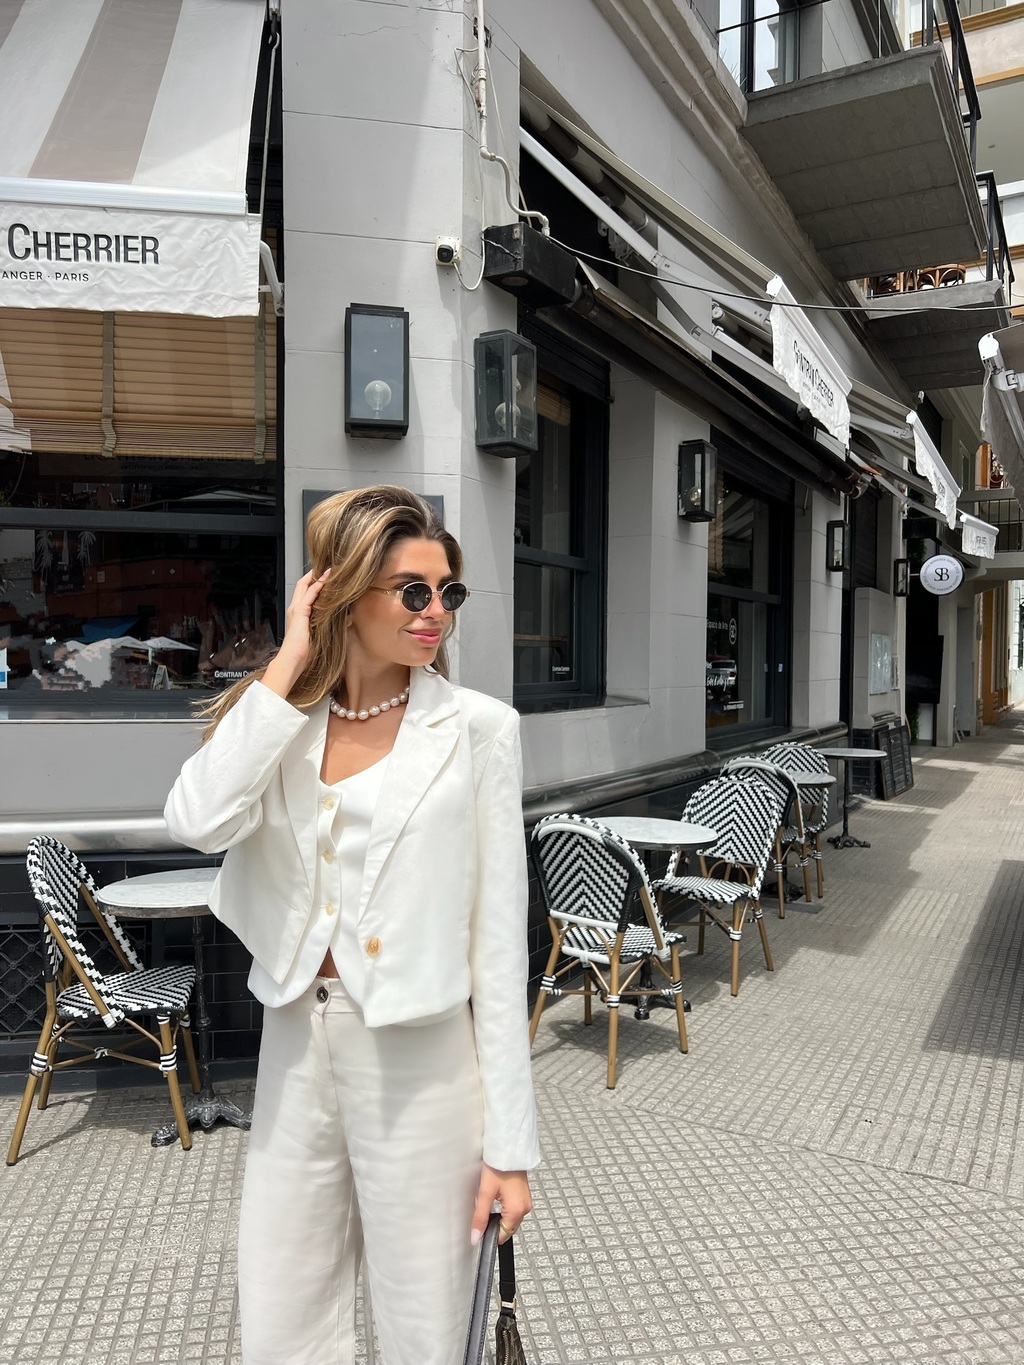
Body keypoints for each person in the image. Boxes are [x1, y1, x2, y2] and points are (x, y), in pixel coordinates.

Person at [164, 486, 539, 1365]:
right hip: (298, 1039)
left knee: (426, 1318)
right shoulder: (282, 724)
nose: (436, 610)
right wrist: (287, 663)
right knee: (282, 1304)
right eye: (413, 590)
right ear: (342, 592)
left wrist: (510, 1149)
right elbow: (196, 818)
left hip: (422, 1062)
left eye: (449, 591)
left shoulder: (480, 730)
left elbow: (498, 945)